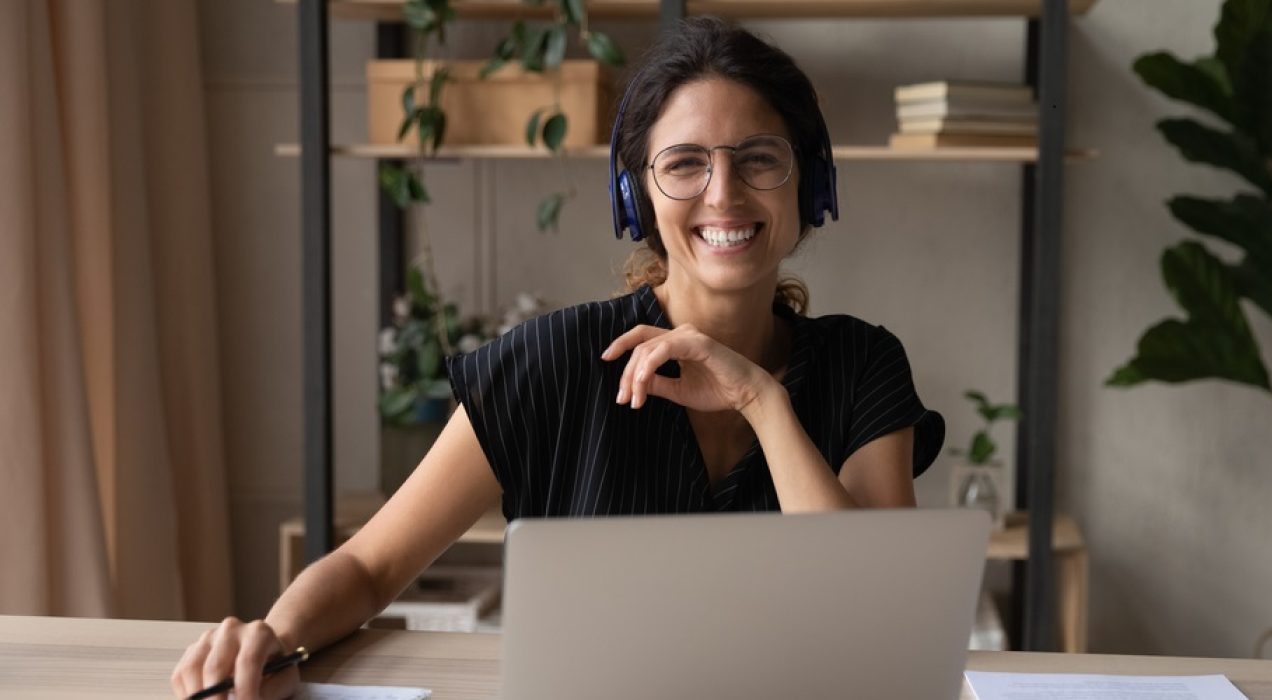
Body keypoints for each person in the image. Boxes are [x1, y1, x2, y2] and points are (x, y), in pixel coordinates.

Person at [170, 17, 943, 699]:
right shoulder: (555, 362)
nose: (724, 192)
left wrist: (763, 403)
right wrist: (270, 640)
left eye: (759, 158)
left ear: (810, 184)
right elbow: (372, 567)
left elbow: (876, 621)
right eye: (683, 163)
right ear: (635, 197)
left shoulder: (861, 365)